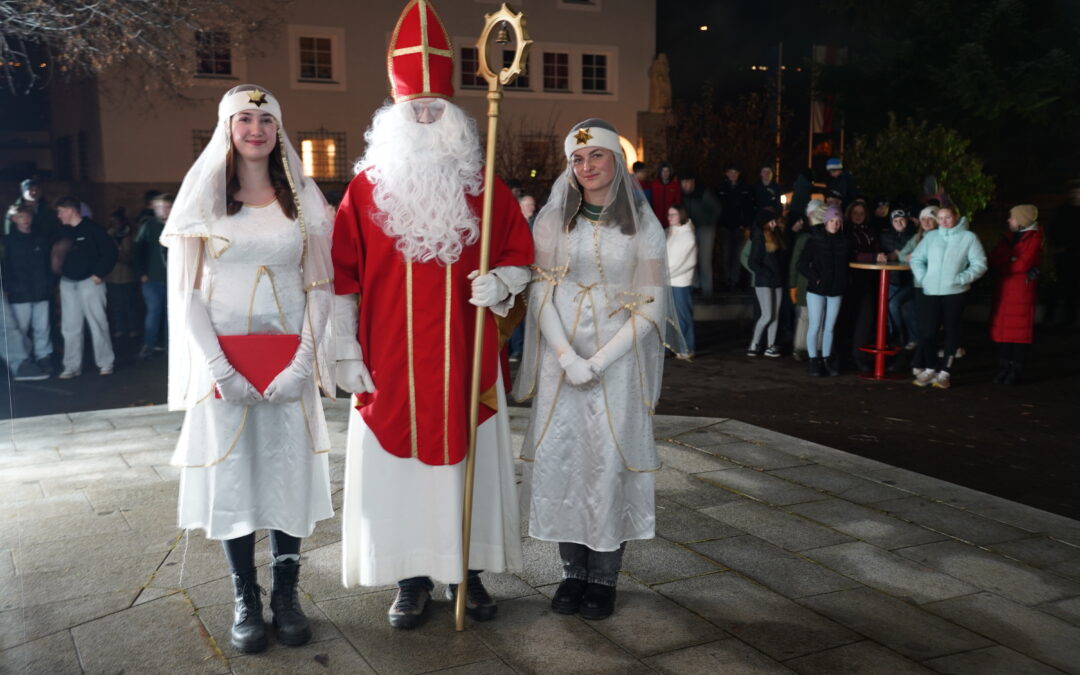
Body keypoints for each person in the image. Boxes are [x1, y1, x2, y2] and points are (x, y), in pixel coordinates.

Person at [332, 0, 534, 631]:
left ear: (452, 115)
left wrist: (498, 281)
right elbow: (341, 276)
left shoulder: (483, 185)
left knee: (464, 472)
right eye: (412, 106)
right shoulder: (363, 191)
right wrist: (345, 348)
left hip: (464, 359)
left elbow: (520, 255)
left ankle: (466, 573)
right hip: (389, 360)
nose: (423, 114)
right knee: (401, 480)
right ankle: (410, 578)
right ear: (393, 114)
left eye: (434, 106)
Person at [161, 85, 336, 653]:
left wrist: (303, 363)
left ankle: (286, 593)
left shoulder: (303, 205)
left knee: (285, 474)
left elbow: (321, 288)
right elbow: (186, 293)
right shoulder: (205, 202)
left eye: (266, 119)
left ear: (279, 130)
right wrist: (218, 366)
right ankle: (245, 594)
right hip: (225, 367)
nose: (255, 128)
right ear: (227, 129)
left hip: (288, 365)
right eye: (244, 119)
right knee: (234, 477)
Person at [513, 118, 686, 621]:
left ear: (616, 162)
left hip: (617, 365)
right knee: (566, 462)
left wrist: (599, 361)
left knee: (608, 465)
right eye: (577, 158)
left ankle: (603, 578)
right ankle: (571, 573)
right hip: (561, 363)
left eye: (597, 156)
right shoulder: (550, 222)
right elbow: (539, 291)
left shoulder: (644, 226)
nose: (586, 166)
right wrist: (567, 357)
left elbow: (652, 304)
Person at [909, 205, 987, 389]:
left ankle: (945, 372)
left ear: (956, 217)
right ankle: (930, 367)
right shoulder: (931, 237)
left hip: (955, 293)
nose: (943, 221)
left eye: (947, 217)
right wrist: (923, 277)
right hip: (930, 291)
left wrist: (960, 279)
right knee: (928, 332)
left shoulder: (969, 238)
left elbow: (980, 264)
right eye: (940, 218)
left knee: (952, 332)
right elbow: (916, 258)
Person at [54, 195, 117, 378]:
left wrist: (99, 273)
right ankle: (72, 366)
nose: (59, 216)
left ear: (70, 210)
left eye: (60, 211)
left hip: (90, 282)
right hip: (68, 282)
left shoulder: (93, 229)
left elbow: (110, 251)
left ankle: (105, 363)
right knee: (70, 326)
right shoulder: (62, 231)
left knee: (97, 323)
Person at [989, 205, 1043, 384]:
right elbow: (995, 258)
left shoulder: (1033, 237)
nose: (1008, 220)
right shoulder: (1011, 237)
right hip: (1008, 288)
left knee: (1018, 331)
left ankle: (1015, 369)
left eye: (1011, 217)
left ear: (1021, 220)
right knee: (1006, 329)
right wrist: (1011, 261)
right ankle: (1005, 367)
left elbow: (1022, 264)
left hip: (1020, 290)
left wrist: (1007, 263)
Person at [3, 204, 54, 377]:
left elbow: (48, 264)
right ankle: (23, 358)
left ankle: (43, 355)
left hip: (40, 289)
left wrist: (49, 283)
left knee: (42, 327)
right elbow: (6, 267)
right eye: (21, 217)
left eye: (27, 216)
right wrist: (10, 287)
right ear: (13, 220)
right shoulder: (8, 241)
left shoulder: (40, 239)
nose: (25, 220)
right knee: (20, 328)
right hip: (20, 292)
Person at [798, 205, 848, 376]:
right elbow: (801, 264)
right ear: (826, 221)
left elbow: (851, 260)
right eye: (832, 221)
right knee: (815, 325)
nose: (835, 224)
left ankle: (826, 359)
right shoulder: (815, 240)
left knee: (829, 327)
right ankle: (814, 360)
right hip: (816, 290)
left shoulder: (845, 241)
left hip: (836, 289)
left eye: (838, 221)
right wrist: (815, 277)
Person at [788, 199, 826, 360]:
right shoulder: (804, 238)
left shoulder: (813, 236)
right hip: (805, 283)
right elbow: (796, 263)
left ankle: (814, 347)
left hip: (815, 283)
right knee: (805, 316)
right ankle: (800, 347)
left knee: (816, 317)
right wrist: (793, 285)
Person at [135, 193, 171, 358]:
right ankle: (149, 344)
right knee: (154, 311)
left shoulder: (178, 225)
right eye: (159, 207)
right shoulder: (148, 226)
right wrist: (141, 272)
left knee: (170, 313)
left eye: (166, 207)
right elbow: (138, 249)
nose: (163, 211)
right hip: (153, 277)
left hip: (173, 279)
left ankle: (169, 345)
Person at [747, 210, 787, 357]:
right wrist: (767, 273)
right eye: (771, 221)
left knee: (774, 315)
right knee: (767, 315)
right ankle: (754, 344)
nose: (774, 223)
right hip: (764, 282)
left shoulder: (776, 235)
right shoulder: (759, 238)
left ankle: (770, 346)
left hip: (777, 281)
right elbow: (752, 262)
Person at [878, 208, 917, 349]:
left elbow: (912, 253)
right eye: (895, 220)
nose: (899, 222)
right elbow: (881, 251)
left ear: (907, 220)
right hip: (891, 278)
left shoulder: (915, 235)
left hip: (911, 280)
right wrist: (883, 255)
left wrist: (896, 254)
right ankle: (897, 339)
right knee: (890, 309)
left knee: (907, 310)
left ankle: (907, 339)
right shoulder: (885, 235)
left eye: (901, 219)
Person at [679, 171, 720, 298]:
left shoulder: (704, 193)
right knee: (691, 258)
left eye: (687, 182)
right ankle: (696, 286)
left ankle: (707, 290)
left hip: (706, 228)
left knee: (705, 259)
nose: (685, 185)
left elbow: (717, 209)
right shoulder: (682, 195)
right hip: (690, 229)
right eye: (683, 182)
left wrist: (708, 223)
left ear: (693, 182)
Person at [667, 205, 697, 357]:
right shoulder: (671, 233)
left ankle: (687, 348)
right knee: (670, 317)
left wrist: (663, 274)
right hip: (669, 280)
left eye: (673, 214)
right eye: (669, 214)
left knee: (682, 316)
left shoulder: (687, 236)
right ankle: (671, 346)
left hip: (681, 282)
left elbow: (680, 262)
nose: (669, 217)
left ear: (681, 215)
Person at [717, 164, 753, 289]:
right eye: (731, 172)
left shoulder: (745, 188)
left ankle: (735, 280)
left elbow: (748, 208)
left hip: (739, 227)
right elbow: (717, 208)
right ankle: (726, 280)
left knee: (738, 255)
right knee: (725, 255)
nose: (733, 175)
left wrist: (746, 224)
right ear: (726, 174)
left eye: (735, 172)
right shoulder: (721, 188)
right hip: (725, 226)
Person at [105, 208, 139, 339]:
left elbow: (132, 255)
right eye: (113, 222)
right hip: (113, 276)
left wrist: (120, 254)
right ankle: (120, 328)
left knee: (130, 304)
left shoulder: (132, 235)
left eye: (117, 222)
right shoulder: (108, 235)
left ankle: (133, 328)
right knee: (116, 304)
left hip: (128, 276)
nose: (115, 225)